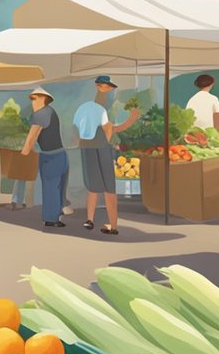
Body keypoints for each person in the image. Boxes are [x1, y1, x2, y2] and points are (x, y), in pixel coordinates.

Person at [72, 76, 140, 235]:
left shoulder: (82, 108)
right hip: (101, 148)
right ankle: (113, 225)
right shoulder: (102, 109)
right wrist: (131, 120)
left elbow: (75, 129)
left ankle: (89, 220)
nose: (109, 91)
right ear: (99, 87)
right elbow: (109, 129)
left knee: (93, 187)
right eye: (106, 88)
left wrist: (81, 141)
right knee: (109, 187)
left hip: (86, 148)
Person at [21, 88, 69, 228]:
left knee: (51, 188)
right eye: (32, 99)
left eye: (35, 99)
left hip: (50, 157)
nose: (33, 102)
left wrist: (23, 154)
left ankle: (51, 219)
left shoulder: (40, 114)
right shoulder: (51, 111)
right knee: (58, 188)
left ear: (44, 98)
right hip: (61, 155)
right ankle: (56, 216)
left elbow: (31, 138)